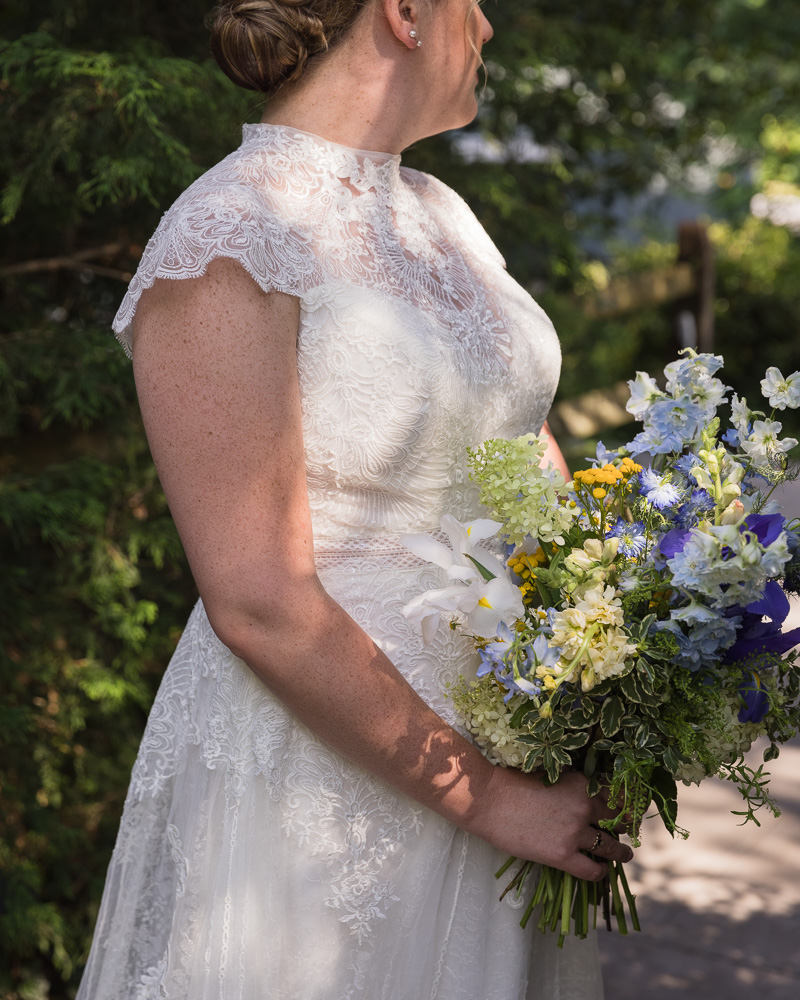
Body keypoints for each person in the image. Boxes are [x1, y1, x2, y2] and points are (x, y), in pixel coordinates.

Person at [76, 1, 633, 997]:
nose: (490, 29)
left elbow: (513, 440)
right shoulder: (227, 234)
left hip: (510, 729)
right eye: (472, 4)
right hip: (324, 784)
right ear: (406, 14)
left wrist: (616, 632)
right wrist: (490, 798)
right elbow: (256, 595)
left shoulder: (437, 212)